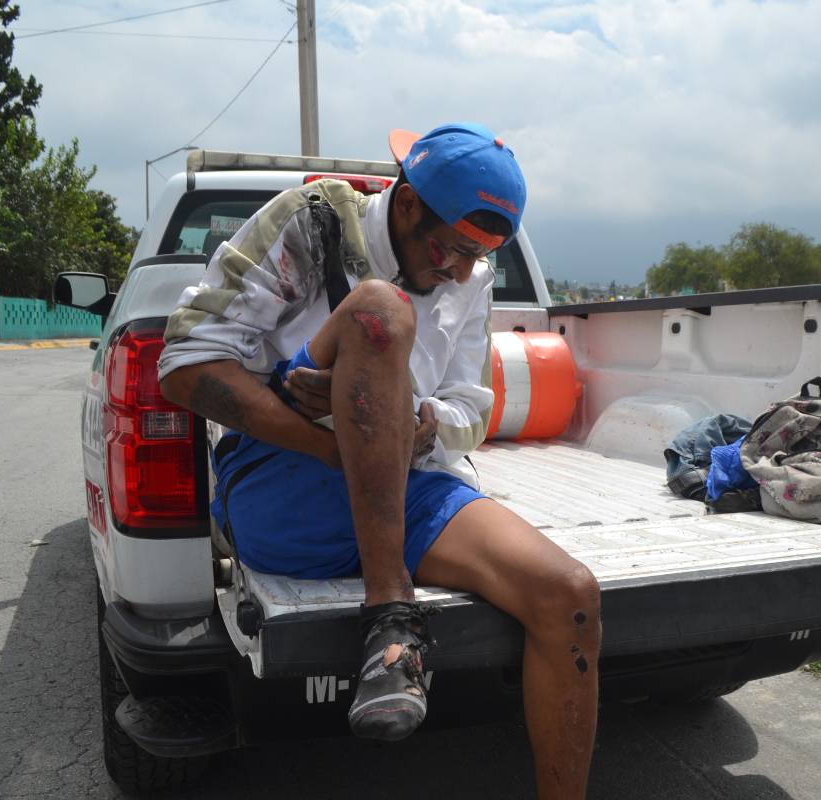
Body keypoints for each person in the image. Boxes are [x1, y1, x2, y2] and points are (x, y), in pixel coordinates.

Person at [158, 123, 601, 799]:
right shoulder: (314, 223)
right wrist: (341, 438)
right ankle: (389, 613)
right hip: (283, 484)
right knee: (379, 314)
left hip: (412, 491)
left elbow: (472, 409)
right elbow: (183, 365)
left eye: (479, 257)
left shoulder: (469, 275)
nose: (458, 270)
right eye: (449, 246)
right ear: (406, 203)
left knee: (569, 595)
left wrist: (423, 424)